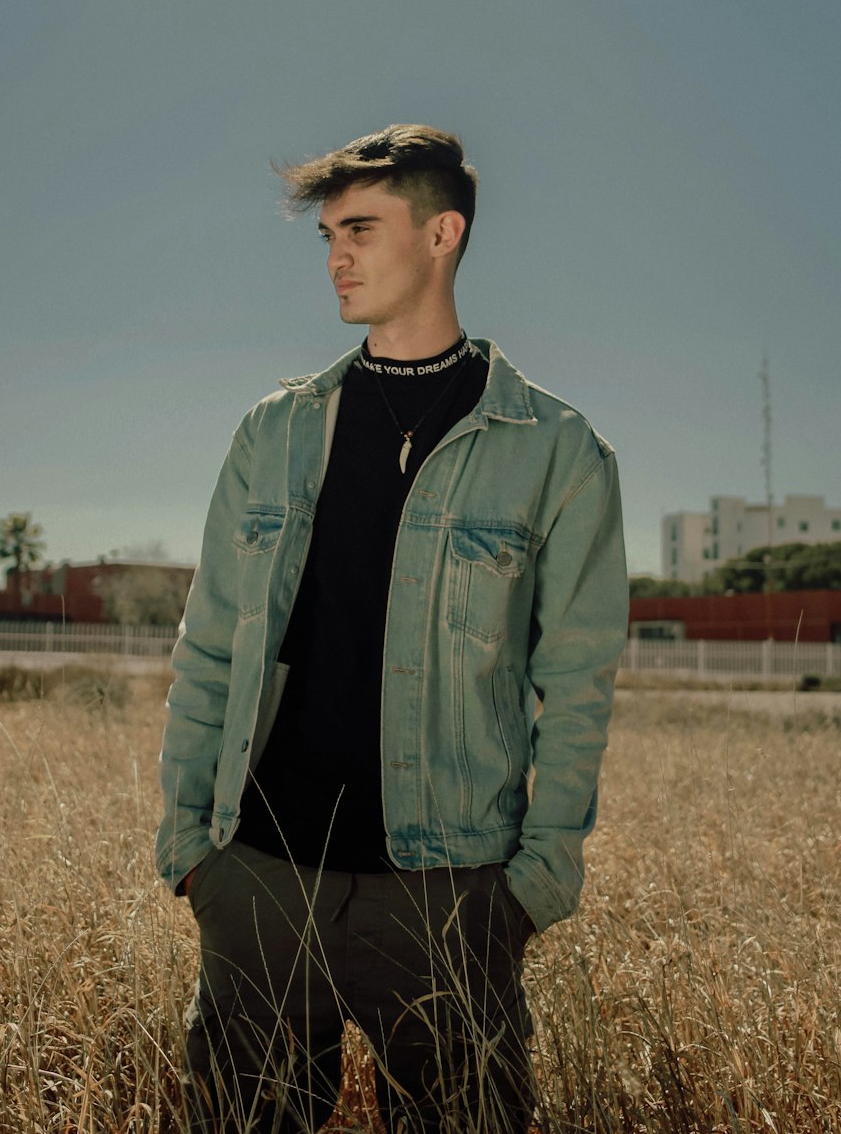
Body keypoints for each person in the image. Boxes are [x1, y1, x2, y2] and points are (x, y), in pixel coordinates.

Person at [156, 125, 628, 1133]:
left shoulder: (558, 451)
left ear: (442, 232)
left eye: (361, 228)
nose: (337, 254)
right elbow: (207, 647)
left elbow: (579, 684)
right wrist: (194, 852)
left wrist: (532, 885)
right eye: (328, 232)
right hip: (262, 879)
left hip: (449, 895)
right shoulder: (275, 430)